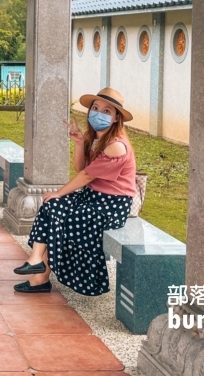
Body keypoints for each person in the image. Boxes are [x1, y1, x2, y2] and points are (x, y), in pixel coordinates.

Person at [13, 87, 137, 296]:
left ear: (116, 118)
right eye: (95, 108)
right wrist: (80, 143)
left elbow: (87, 176)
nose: (99, 113)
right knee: (52, 206)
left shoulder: (116, 146)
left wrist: (60, 192)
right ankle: (36, 264)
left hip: (112, 205)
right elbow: (81, 168)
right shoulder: (97, 137)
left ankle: (39, 276)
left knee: (61, 215)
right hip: (92, 197)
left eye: (107, 111)